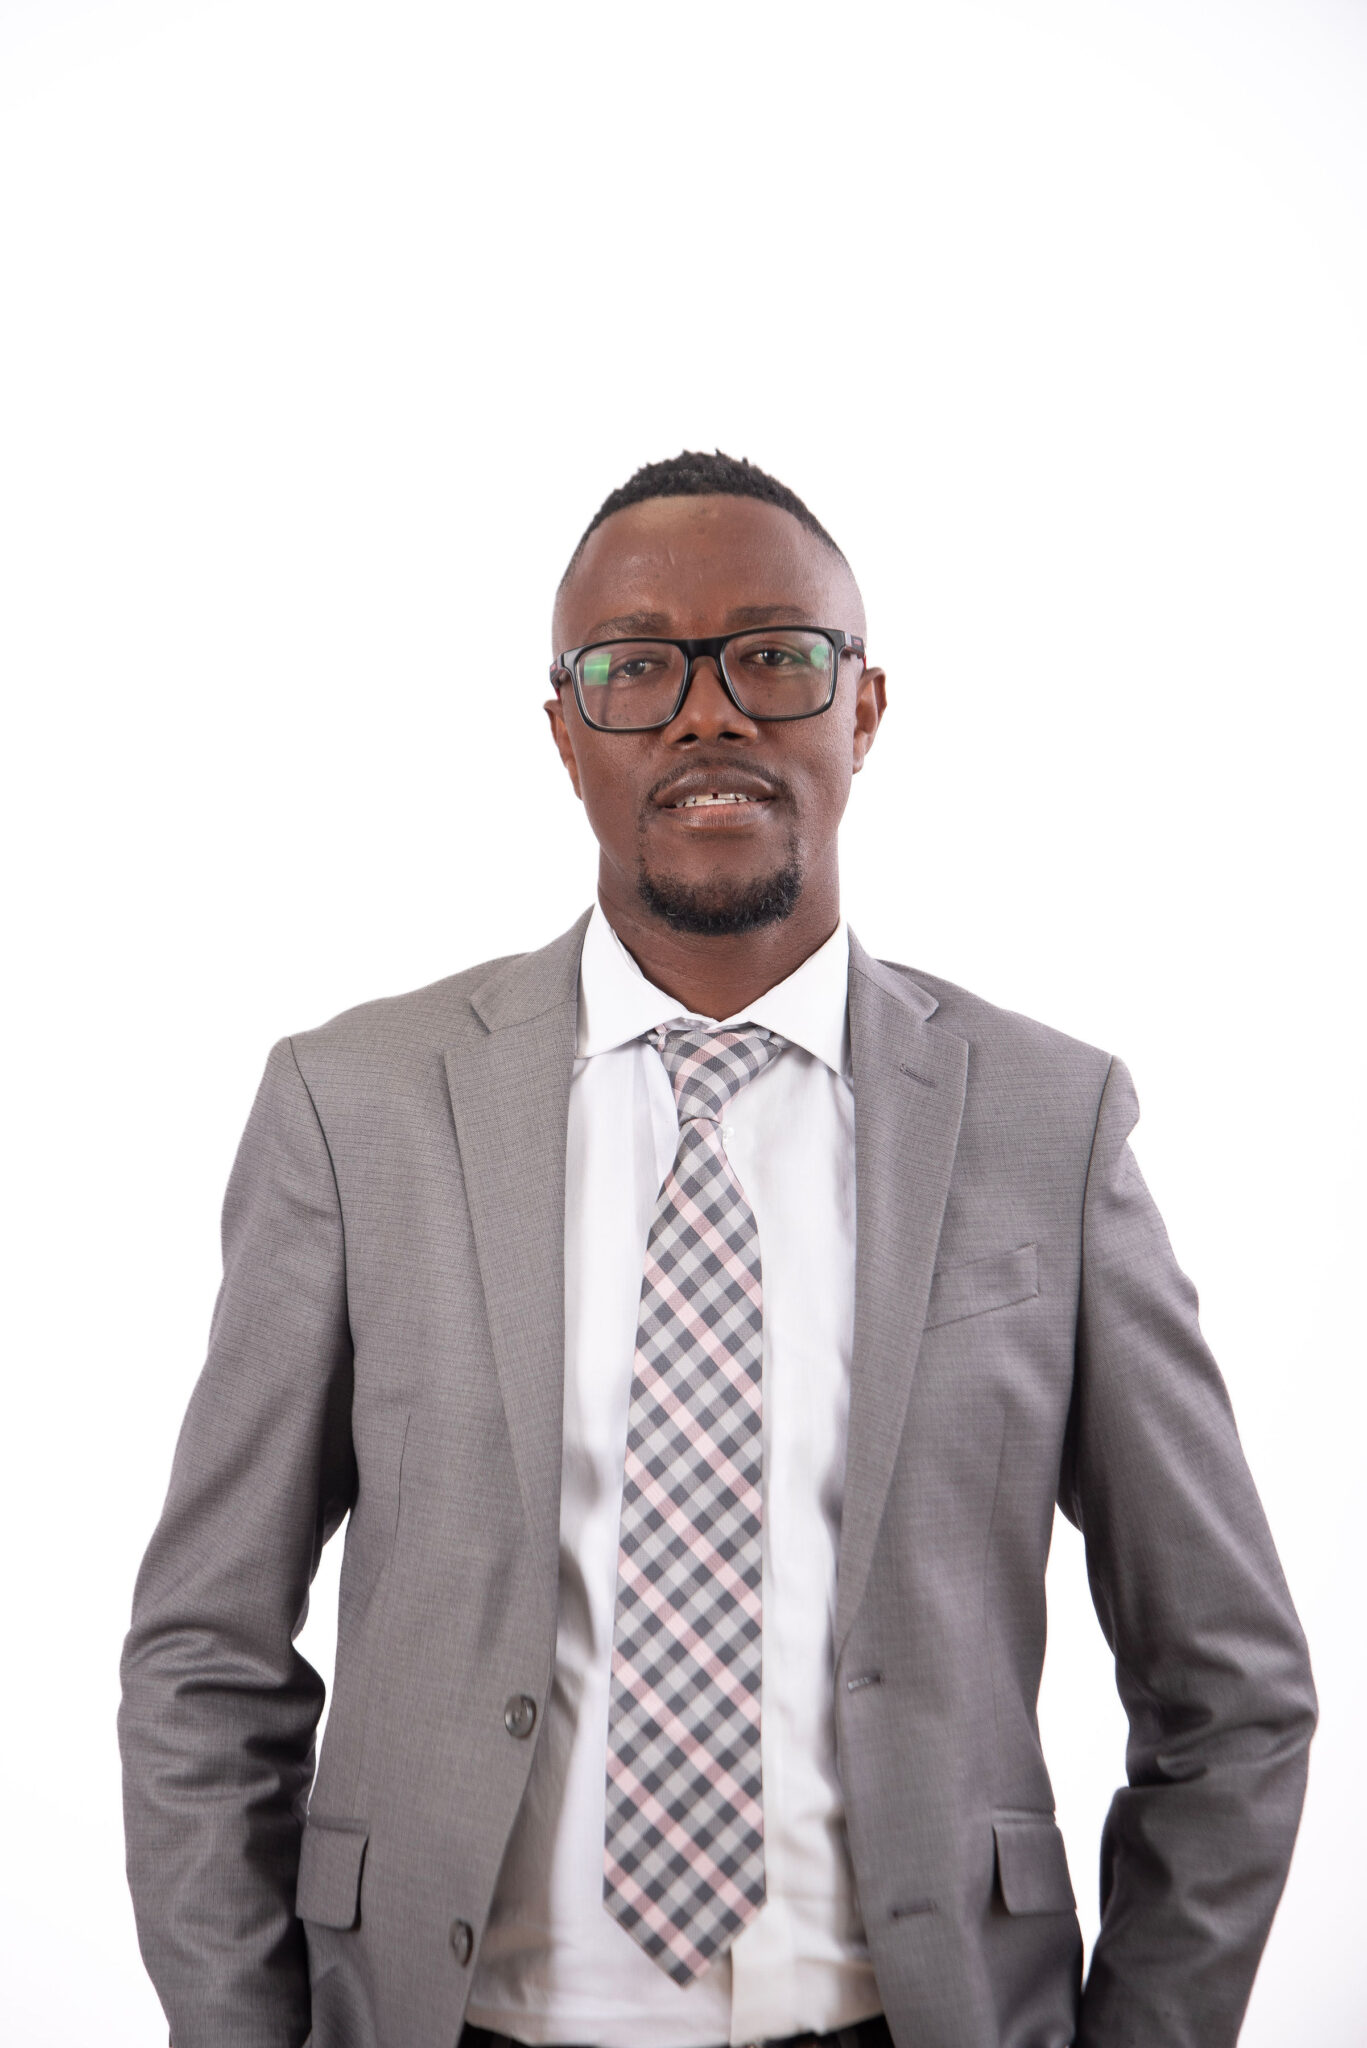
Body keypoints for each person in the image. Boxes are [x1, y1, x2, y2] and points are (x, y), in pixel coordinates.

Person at [119, 450, 1316, 2048]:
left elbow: (1232, 1688)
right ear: (566, 732)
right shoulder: (357, 1109)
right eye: (634, 669)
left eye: (773, 656)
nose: (707, 716)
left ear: (863, 709)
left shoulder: (1050, 1121)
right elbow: (204, 1656)